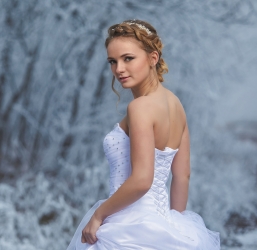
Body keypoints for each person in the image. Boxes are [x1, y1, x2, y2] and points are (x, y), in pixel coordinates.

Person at [66, 19, 220, 250]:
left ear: (153, 58)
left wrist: (98, 215)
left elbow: (141, 180)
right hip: (158, 225)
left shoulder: (140, 108)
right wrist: (172, 227)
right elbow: (182, 176)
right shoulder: (175, 104)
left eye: (128, 58)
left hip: (128, 227)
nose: (118, 69)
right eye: (112, 61)